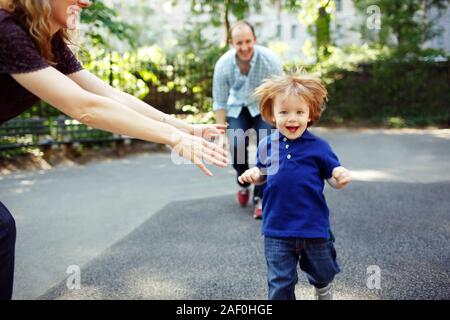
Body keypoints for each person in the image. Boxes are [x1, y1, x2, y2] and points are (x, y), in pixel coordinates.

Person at [0, 0, 228, 300]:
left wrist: (183, 128)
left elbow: (107, 95)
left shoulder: (48, 41)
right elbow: (84, 107)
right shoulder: (6, 31)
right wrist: (172, 138)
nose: (86, 2)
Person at [238, 72, 352, 300]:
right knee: (280, 283)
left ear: (310, 114)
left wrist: (339, 177)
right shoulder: (266, 145)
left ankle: (323, 288)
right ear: (272, 114)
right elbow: (263, 174)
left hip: (313, 226)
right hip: (277, 227)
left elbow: (332, 176)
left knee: (323, 272)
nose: (292, 119)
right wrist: (255, 174)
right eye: (284, 112)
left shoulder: (319, 147)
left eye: (300, 112)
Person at [212, 20, 283, 219]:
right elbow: (219, 101)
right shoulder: (223, 65)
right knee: (236, 144)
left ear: (255, 39)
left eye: (247, 41)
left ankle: (260, 197)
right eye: (238, 43)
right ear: (231, 43)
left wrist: (280, 124)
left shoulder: (270, 60)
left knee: (266, 147)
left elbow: (280, 95)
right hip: (237, 108)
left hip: (263, 107)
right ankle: (243, 181)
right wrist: (221, 135)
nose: (244, 47)